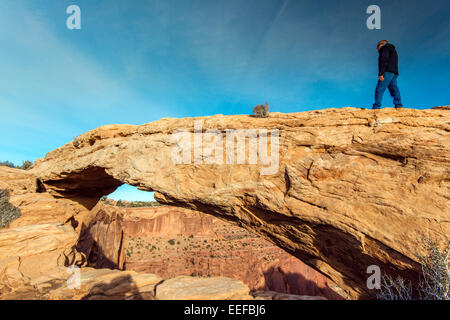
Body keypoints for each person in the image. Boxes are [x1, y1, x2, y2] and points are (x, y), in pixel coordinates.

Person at [372, 40, 403, 109]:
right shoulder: (393, 49)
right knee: (394, 89)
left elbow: (383, 60)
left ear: (382, 44)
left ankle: (376, 107)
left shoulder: (385, 48)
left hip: (387, 72)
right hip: (394, 72)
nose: (377, 49)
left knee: (379, 89)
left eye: (377, 46)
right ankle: (398, 105)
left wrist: (381, 73)